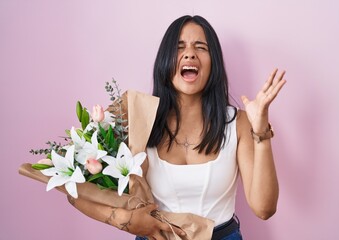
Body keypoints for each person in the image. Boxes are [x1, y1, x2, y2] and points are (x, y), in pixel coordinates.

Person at [69, 15, 286, 240]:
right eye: (179, 46)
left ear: (214, 63)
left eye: (200, 47)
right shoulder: (136, 120)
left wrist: (261, 131)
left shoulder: (238, 123)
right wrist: (127, 222)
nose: (190, 53)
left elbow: (264, 209)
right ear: (165, 60)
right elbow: (74, 191)